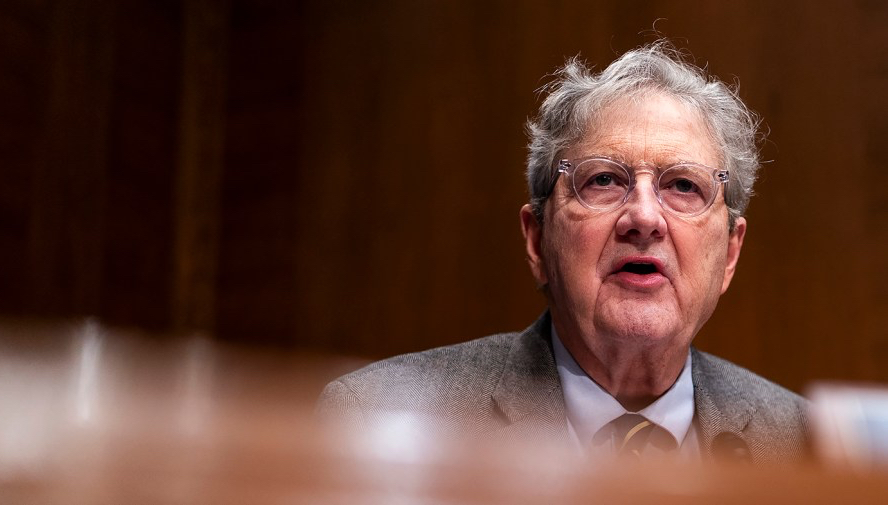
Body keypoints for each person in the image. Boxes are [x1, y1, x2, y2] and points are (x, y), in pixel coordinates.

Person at [317, 41, 808, 463]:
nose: (644, 217)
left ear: (729, 254)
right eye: (603, 180)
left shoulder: (805, 445)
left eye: (683, 185)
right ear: (537, 240)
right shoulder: (378, 418)